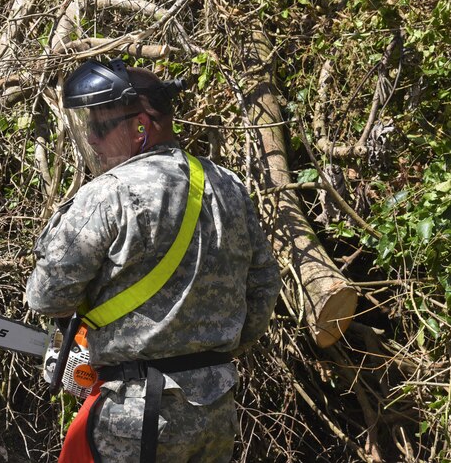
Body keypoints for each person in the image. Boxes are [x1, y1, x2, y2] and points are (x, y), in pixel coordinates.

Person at [26, 58, 281, 463]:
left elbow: (46, 295)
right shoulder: (227, 185)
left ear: (141, 124)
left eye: (101, 125)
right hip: (214, 412)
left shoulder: (110, 193)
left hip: (137, 415)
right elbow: (265, 284)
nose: (91, 138)